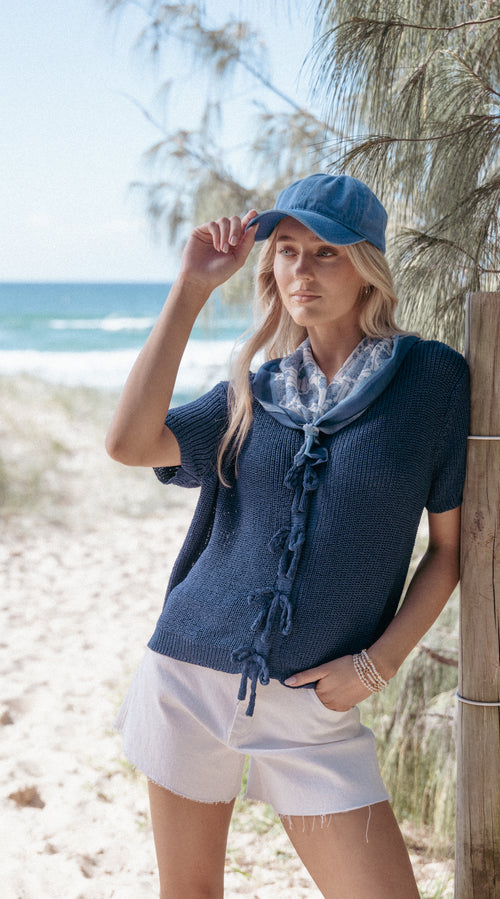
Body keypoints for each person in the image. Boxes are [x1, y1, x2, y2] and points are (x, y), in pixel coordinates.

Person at [106, 173, 469, 898]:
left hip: (313, 704)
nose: (302, 270)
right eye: (287, 251)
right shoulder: (253, 392)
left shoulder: (431, 380)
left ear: (366, 268)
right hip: (187, 676)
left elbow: (448, 551)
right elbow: (129, 442)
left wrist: (376, 665)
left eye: (326, 252)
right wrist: (191, 288)